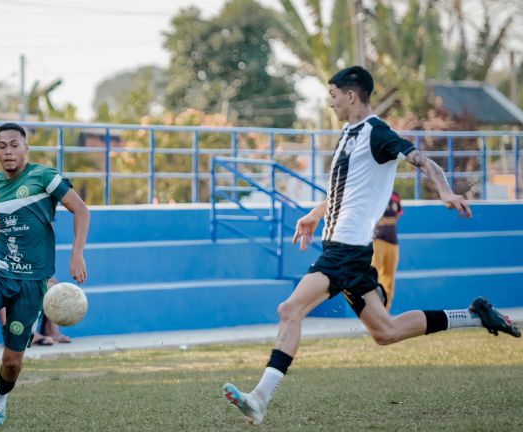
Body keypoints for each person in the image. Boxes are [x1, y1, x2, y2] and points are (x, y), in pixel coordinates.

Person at [222, 66, 521, 425]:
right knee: (386, 332)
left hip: (345, 251)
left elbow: (422, 160)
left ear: (351, 95)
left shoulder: (377, 133)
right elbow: (342, 192)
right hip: (346, 249)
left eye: (333, 96)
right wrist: (316, 214)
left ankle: (260, 397)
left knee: (290, 309)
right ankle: (474, 315)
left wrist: (444, 190)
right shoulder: (348, 133)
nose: (330, 103)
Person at [0, 123, 89, 429]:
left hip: (32, 283)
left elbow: (81, 210)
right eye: (2, 146)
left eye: (14, 144)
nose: (8, 151)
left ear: (25, 148)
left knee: (12, 362)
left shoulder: (45, 177)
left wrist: (76, 253)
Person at [371, 191, 402, 311]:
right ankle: (371, 311)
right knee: (373, 275)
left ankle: (384, 311)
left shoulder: (395, 195)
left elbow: (397, 214)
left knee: (388, 279)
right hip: (377, 240)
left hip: (393, 241)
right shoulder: (374, 192)